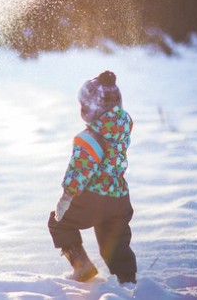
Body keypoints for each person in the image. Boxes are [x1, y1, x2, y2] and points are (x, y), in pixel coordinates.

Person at [47, 70, 137, 285]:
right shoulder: (122, 129)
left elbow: (79, 170)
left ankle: (82, 267)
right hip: (120, 197)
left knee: (59, 223)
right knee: (114, 242)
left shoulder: (89, 139)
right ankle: (127, 278)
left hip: (94, 197)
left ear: (92, 107)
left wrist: (66, 197)